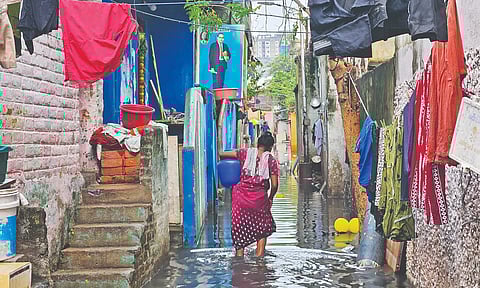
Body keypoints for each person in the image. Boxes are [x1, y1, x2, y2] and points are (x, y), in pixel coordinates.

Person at [219, 132, 280, 257]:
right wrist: (270, 197)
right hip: (259, 200)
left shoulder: (245, 153)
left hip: (240, 198)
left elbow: (222, 154)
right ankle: (259, 259)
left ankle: (239, 259)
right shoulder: (271, 161)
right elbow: (274, 185)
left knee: (239, 228)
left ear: (258, 144)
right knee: (262, 229)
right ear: (271, 147)